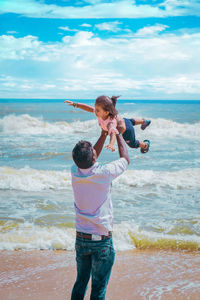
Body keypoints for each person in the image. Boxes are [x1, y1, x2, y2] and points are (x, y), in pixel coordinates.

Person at [71, 127, 130, 300]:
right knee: (98, 289)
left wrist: (104, 134)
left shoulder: (74, 171)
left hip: (81, 239)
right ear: (94, 157)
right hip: (101, 241)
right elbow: (125, 159)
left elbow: (89, 158)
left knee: (80, 282)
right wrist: (118, 134)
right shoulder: (104, 173)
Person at [64, 95, 151, 153]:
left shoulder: (110, 122)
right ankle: (144, 121)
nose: (95, 111)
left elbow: (112, 132)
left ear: (106, 112)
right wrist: (75, 104)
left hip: (127, 132)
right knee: (130, 121)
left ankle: (145, 145)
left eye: (97, 110)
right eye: (95, 108)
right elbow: (88, 108)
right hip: (124, 121)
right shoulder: (100, 113)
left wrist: (111, 144)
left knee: (133, 144)